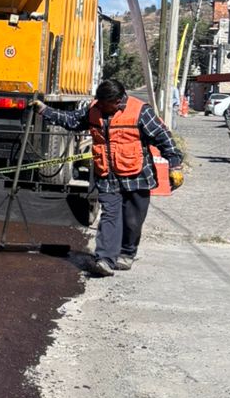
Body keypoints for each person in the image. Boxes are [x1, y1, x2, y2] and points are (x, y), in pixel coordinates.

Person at [36, 77, 183, 278]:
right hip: (107, 175)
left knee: (132, 220)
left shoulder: (140, 111)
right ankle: (104, 259)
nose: (101, 107)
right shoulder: (94, 109)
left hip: (137, 175)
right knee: (110, 215)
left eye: (105, 104)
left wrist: (175, 165)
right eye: (100, 102)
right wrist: (44, 110)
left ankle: (127, 253)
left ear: (118, 100)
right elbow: (71, 121)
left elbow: (164, 137)